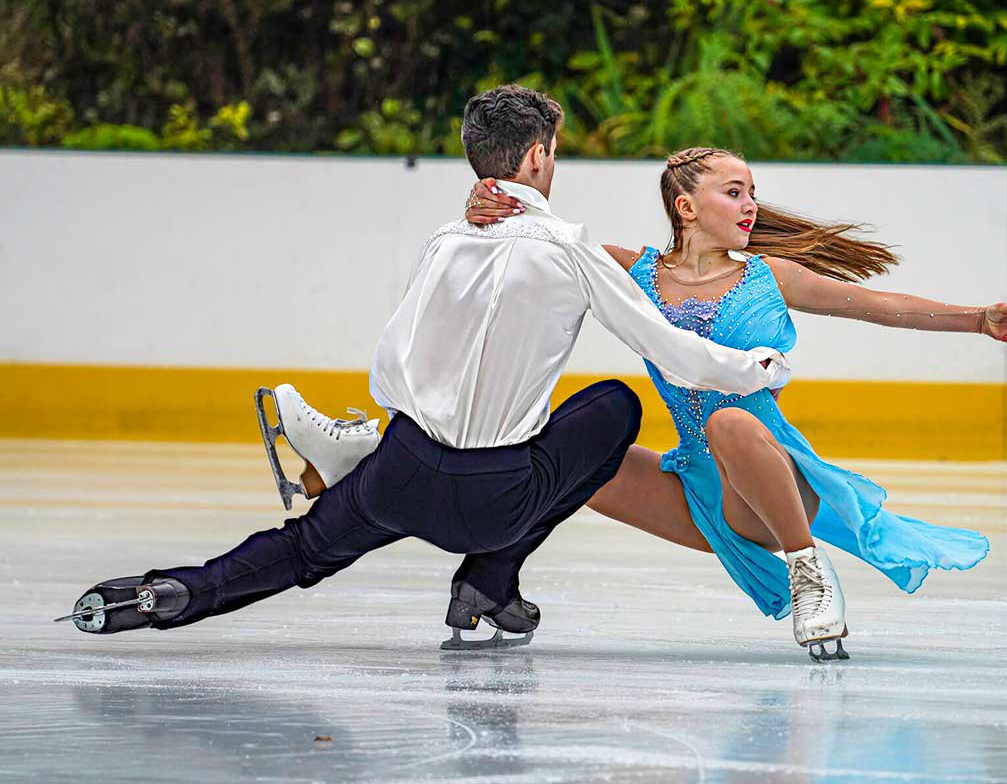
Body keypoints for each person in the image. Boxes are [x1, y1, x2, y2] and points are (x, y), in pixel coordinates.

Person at [56, 87, 791, 652]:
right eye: (555, 152)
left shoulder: (444, 239)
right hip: (499, 495)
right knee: (612, 409)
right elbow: (673, 350)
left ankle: (167, 592)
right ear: (537, 157)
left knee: (303, 550)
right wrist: (756, 368)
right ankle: (487, 576)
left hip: (401, 473)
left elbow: (393, 360)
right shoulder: (571, 248)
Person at [260, 146, 1007, 661]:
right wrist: (480, 206)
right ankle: (357, 473)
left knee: (727, 417)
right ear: (687, 206)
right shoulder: (632, 270)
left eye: (752, 191)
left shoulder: (769, 276)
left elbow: (878, 305)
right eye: (734, 190)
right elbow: (534, 240)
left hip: (772, 483)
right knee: (553, 448)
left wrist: (977, 319)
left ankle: (811, 574)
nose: (750, 204)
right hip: (694, 493)